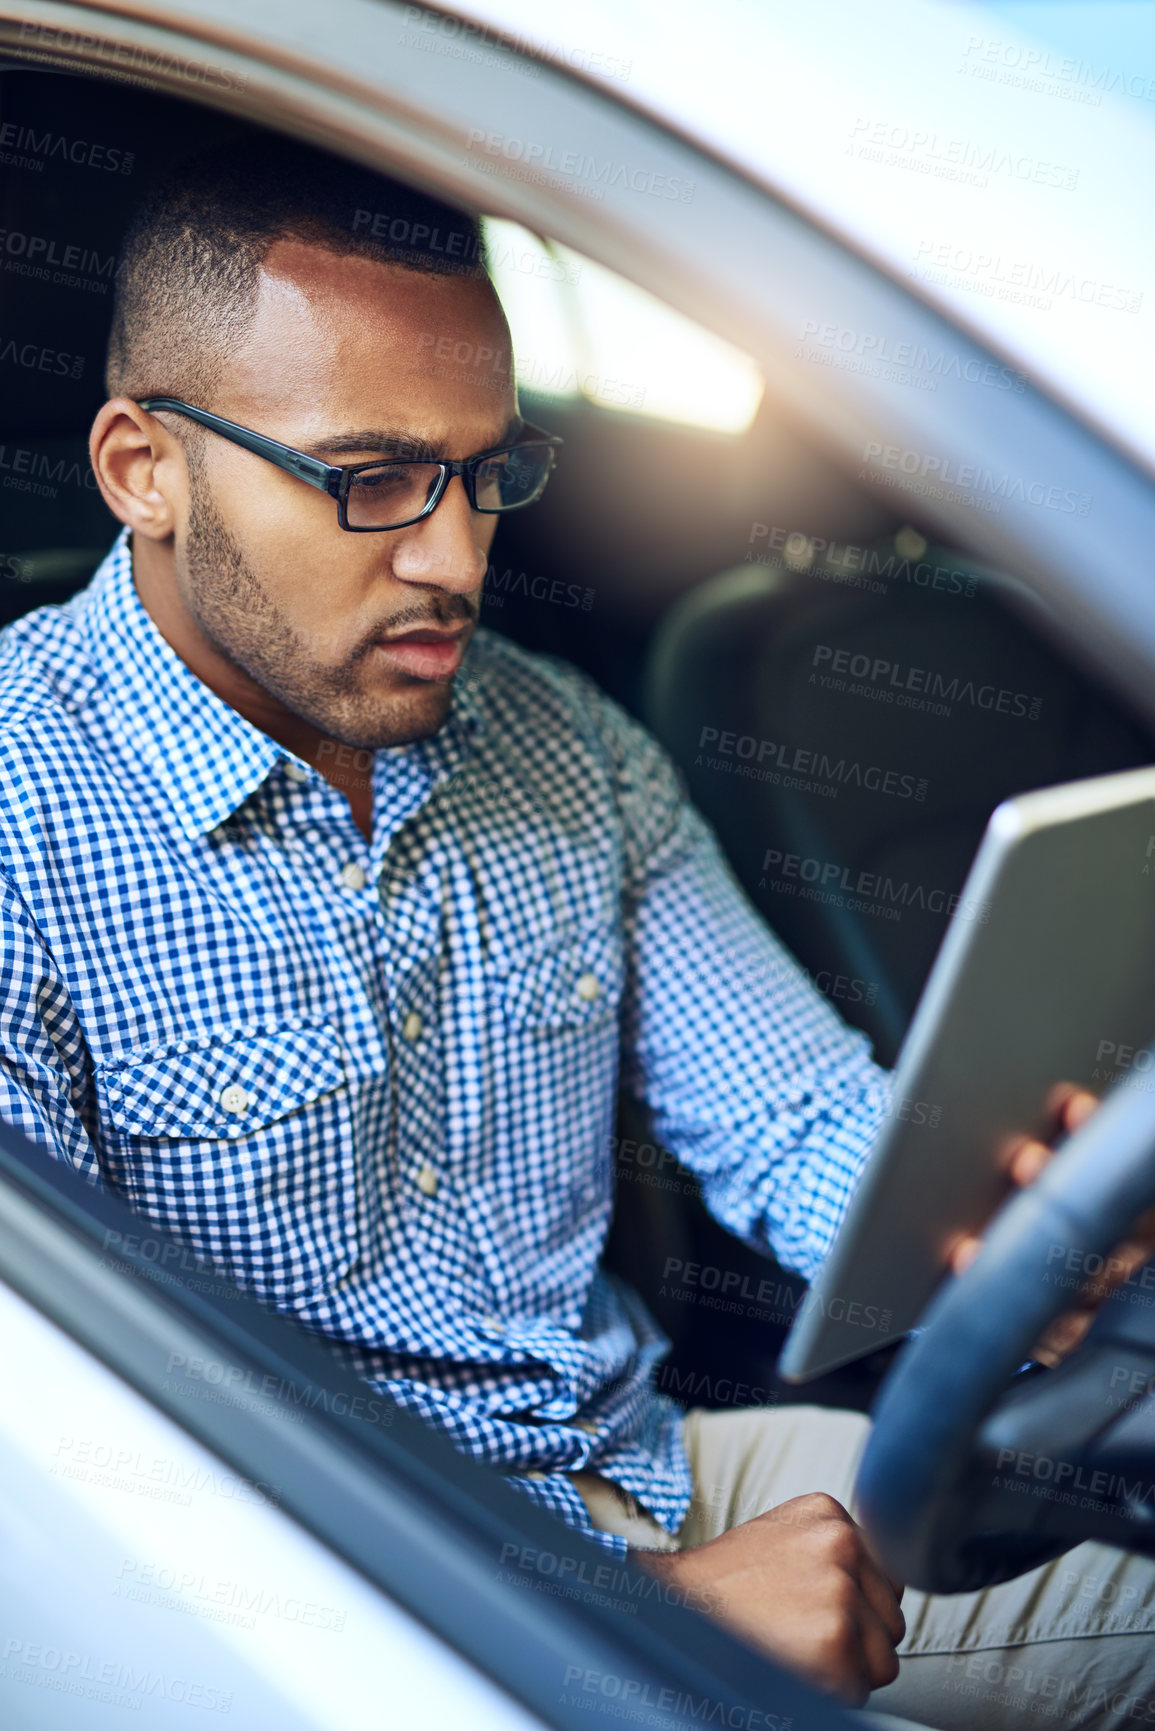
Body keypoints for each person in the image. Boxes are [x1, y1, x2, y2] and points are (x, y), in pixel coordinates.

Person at [1, 134, 1153, 1727]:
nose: (456, 558)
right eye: (371, 480)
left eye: (490, 473)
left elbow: (797, 1123)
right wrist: (623, 1624)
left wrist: (1013, 1234)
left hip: (648, 1461)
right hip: (353, 1598)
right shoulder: (18, 823)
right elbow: (62, 1510)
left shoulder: (564, 743)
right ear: (143, 468)